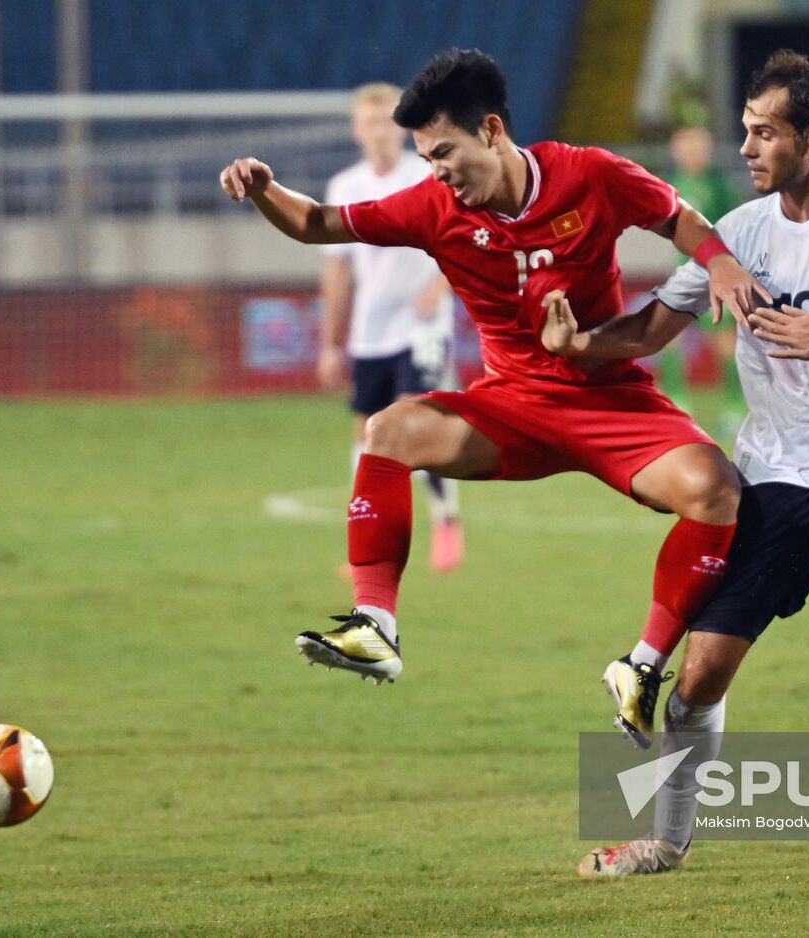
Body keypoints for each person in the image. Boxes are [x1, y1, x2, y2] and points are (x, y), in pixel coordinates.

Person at [220, 49, 768, 747]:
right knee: (387, 431)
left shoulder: (588, 174)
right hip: (511, 406)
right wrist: (265, 188)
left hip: (612, 403)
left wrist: (719, 261)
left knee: (718, 492)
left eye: (444, 152)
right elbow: (319, 224)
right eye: (426, 159)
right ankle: (374, 626)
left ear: (491, 130)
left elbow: (676, 217)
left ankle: (641, 665)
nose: (437, 171)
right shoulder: (432, 205)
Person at [557, 50, 809, 880]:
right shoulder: (736, 235)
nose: (746, 146)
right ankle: (666, 840)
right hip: (770, 475)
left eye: (763, 131)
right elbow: (648, 334)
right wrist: (578, 347)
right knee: (698, 675)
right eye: (744, 130)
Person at [320, 83, 463, 575]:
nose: (379, 131)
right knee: (366, 436)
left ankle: (446, 518)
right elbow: (338, 270)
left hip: (422, 327)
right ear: (356, 130)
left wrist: (438, 288)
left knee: (411, 423)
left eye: (387, 120)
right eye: (369, 122)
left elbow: (465, 241)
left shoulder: (429, 176)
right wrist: (330, 343)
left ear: (401, 127)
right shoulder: (344, 187)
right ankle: (367, 544)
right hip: (370, 332)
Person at [656, 126, 747, 434]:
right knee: (669, 337)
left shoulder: (718, 184)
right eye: (684, 146)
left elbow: (734, 228)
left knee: (724, 344)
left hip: (712, 274)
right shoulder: (672, 184)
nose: (691, 151)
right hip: (683, 273)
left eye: (697, 145)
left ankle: (734, 410)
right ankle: (679, 403)